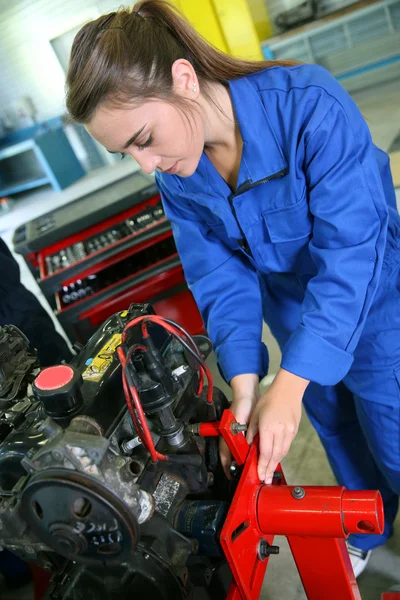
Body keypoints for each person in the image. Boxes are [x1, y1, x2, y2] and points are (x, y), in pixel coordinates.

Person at [65, 0, 400, 577]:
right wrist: (246, 384)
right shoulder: (180, 169)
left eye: (144, 138)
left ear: (184, 79)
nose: (146, 167)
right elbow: (219, 274)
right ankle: (372, 522)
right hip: (295, 318)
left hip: (376, 309)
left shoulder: (307, 106)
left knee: (391, 432)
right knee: (340, 433)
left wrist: (289, 384)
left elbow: (352, 254)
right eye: (127, 154)